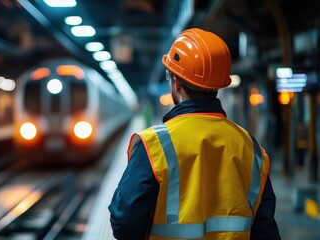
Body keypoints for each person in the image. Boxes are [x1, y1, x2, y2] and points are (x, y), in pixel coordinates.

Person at [108, 28, 281, 240]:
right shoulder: (250, 148)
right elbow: (265, 232)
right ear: (219, 84)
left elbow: (123, 223)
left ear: (176, 82)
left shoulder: (155, 144)